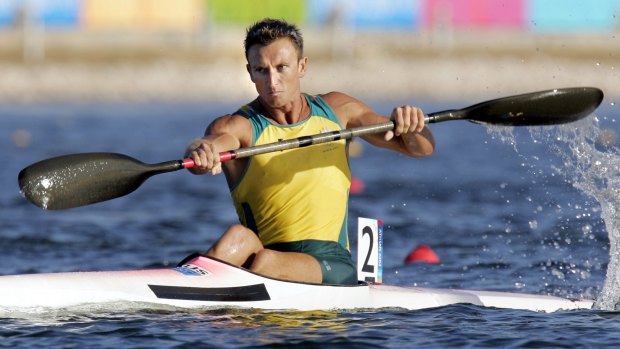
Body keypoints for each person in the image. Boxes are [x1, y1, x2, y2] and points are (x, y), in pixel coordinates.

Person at [185, 18, 435, 285]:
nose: (272, 81)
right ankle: (187, 285)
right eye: (261, 70)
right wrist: (202, 151)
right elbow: (213, 142)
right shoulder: (239, 125)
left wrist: (411, 125)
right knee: (238, 237)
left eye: (282, 68)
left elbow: (422, 149)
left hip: (330, 263)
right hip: (265, 256)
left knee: (266, 261)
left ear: (302, 66)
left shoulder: (338, 111)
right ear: (250, 72)